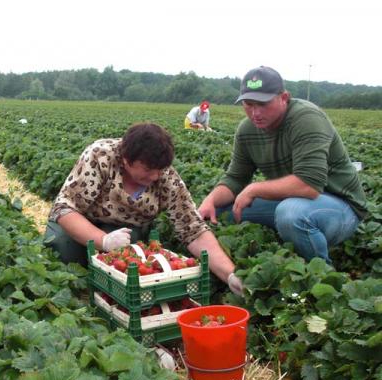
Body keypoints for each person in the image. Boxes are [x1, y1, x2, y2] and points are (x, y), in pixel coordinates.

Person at [44, 122, 244, 295]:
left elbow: (193, 229)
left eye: (160, 170)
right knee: (66, 251)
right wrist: (103, 241)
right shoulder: (100, 156)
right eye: (148, 170)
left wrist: (230, 274)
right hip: (80, 220)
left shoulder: (167, 178)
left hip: (125, 230)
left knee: (124, 263)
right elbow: (64, 208)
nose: (155, 177)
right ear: (126, 160)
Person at [198, 66, 367, 264]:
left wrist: (254, 188)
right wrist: (210, 200)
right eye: (249, 104)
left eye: (263, 104)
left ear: (284, 97)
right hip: (292, 199)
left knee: (291, 213)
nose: (255, 113)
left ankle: (317, 275)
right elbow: (235, 178)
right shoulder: (246, 130)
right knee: (218, 213)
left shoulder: (306, 118)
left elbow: (309, 185)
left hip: (341, 206)